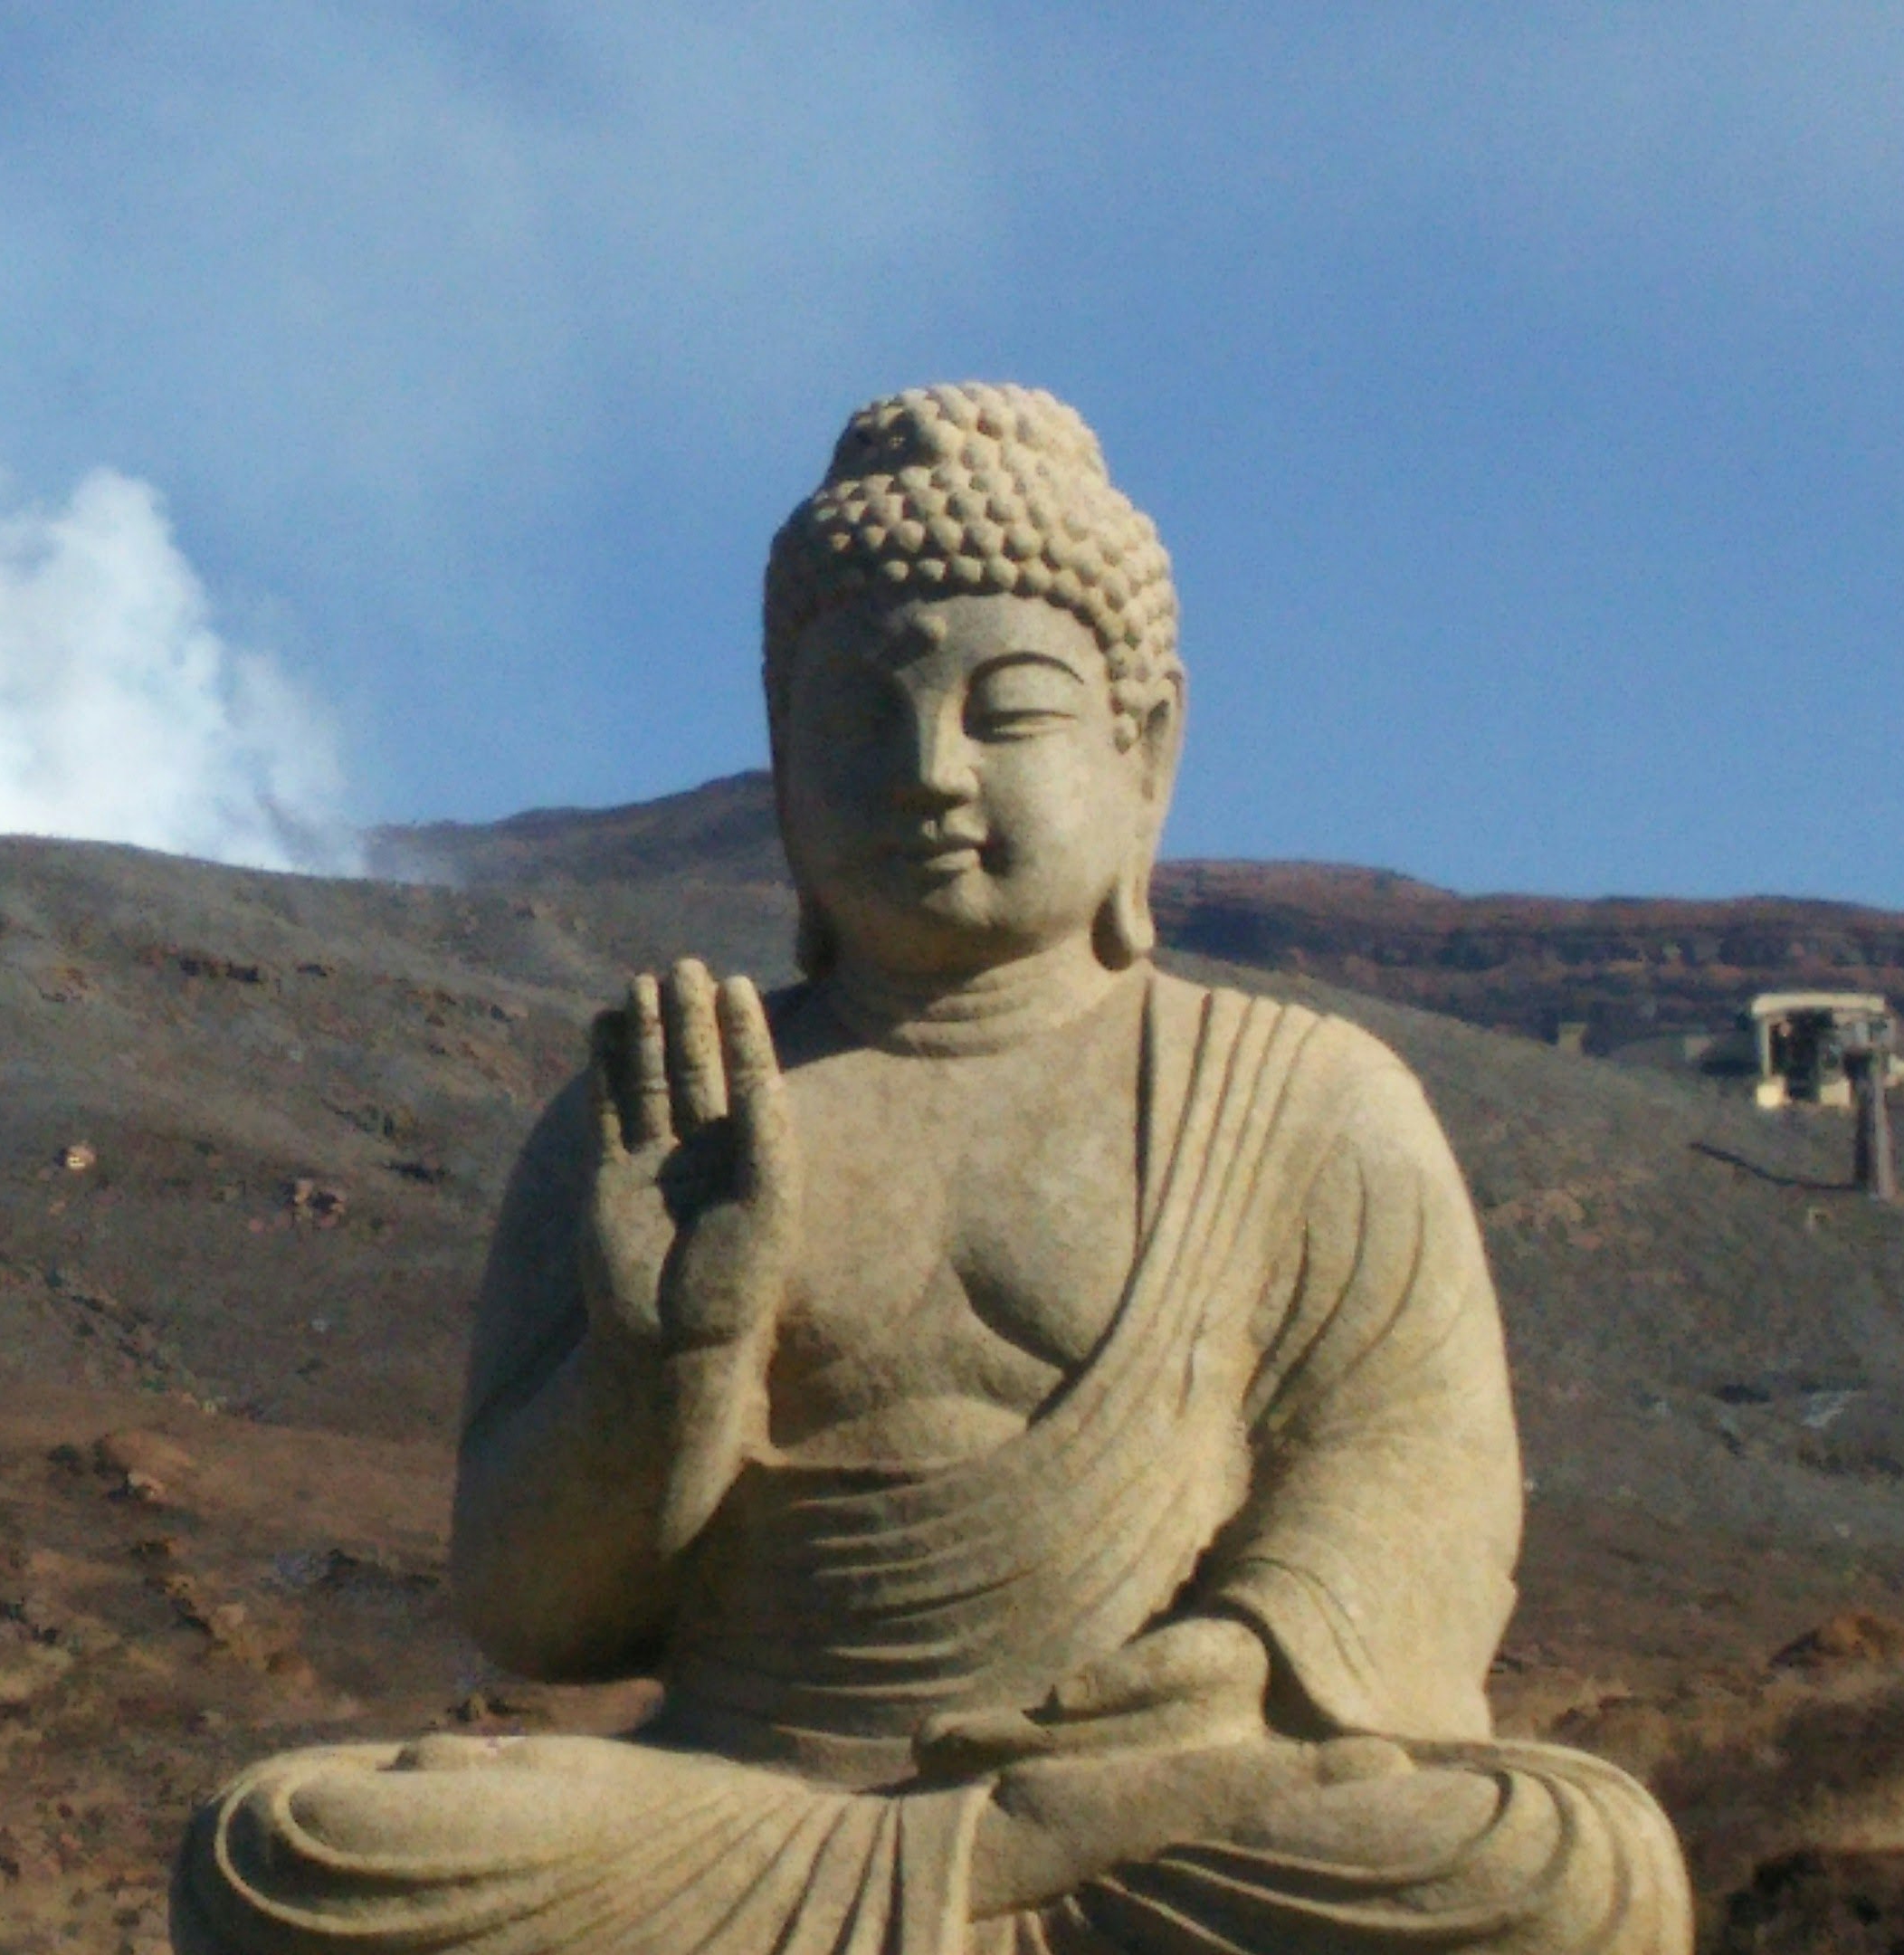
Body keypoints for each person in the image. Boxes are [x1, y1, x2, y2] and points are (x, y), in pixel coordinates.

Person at [174, 384, 1687, 1953]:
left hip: (1154, 1797)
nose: (926, 771)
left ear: (1144, 752)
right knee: (289, 1847)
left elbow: (1411, 1482)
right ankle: (982, 1879)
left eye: (1006, 712)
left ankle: (1038, 1847)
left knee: (1565, 1861)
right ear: (780, 761)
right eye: (857, 717)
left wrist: (1239, 1664)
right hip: (744, 1807)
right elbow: (537, 1613)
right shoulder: (672, 1111)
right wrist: (667, 1352)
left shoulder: (1306, 1098)